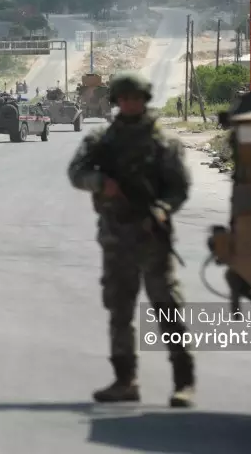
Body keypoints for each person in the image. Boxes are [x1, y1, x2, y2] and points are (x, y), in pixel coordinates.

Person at [67, 71, 195, 408]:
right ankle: (125, 381)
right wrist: (100, 182)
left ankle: (184, 382)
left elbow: (179, 187)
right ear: (117, 102)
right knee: (119, 308)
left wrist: (164, 210)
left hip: (151, 236)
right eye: (124, 99)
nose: (130, 104)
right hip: (116, 237)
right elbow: (76, 173)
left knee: (167, 307)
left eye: (135, 98)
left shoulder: (162, 143)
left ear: (144, 100)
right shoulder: (101, 141)